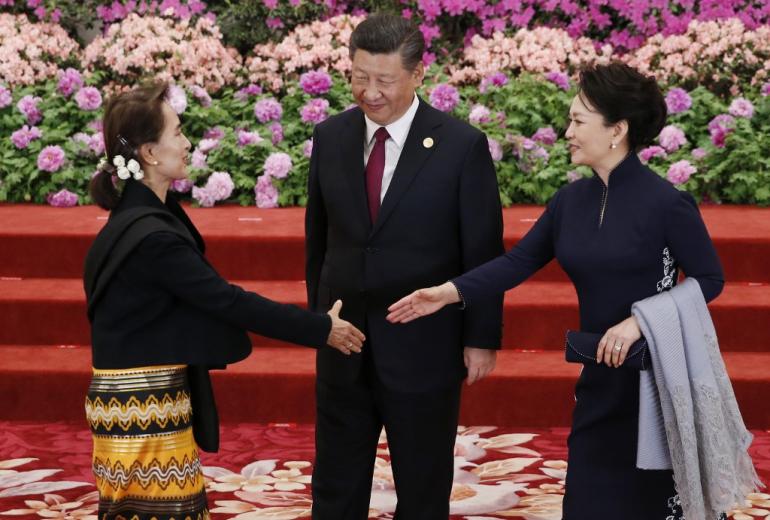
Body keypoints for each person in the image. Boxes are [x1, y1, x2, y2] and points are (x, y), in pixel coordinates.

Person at [387, 63, 727, 519]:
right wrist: (448, 292)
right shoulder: (571, 202)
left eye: (577, 121)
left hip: (654, 379)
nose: (566, 131)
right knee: (587, 500)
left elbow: (710, 279)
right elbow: (518, 262)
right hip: (598, 373)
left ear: (617, 130)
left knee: (648, 501)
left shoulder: (667, 204)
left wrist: (639, 320)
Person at [82, 82, 365, 520]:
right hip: (142, 406)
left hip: (141, 399)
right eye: (176, 132)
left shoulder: (140, 217)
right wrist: (320, 329)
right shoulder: (152, 236)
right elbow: (228, 302)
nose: (187, 141)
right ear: (149, 153)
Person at [304, 13, 504, 519]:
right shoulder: (330, 137)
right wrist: (318, 321)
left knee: (422, 482)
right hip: (344, 338)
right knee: (336, 481)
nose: (370, 92)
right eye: (359, 77)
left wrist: (480, 336)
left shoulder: (461, 147)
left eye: (384, 80)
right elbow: (318, 241)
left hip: (424, 342)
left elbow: (482, 250)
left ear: (418, 75)